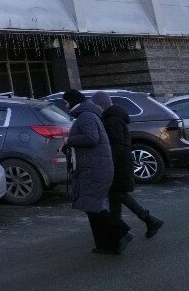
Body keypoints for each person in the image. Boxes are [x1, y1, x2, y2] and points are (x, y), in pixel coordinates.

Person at [62, 88, 132, 254]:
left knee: (93, 206)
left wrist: (68, 140)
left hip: (94, 169)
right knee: (91, 207)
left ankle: (122, 231)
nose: (65, 106)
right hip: (92, 167)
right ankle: (106, 244)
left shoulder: (86, 116)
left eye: (66, 103)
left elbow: (91, 138)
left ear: (73, 101)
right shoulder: (86, 115)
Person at [90, 90, 164, 239]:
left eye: (94, 105)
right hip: (120, 162)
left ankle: (149, 220)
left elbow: (117, 145)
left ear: (100, 105)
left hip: (118, 164)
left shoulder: (112, 119)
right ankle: (118, 229)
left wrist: (109, 162)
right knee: (114, 195)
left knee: (119, 194)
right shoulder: (113, 117)